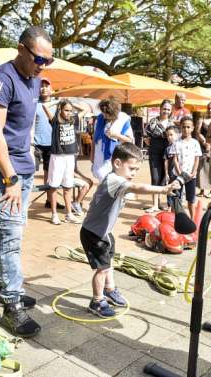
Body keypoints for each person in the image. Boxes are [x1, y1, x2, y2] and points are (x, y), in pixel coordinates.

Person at [0, 26, 53, 338]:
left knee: (12, 235)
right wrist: (9, 178)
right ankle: (11, 306)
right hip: (4, 172)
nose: (42, 66)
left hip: (21, 168)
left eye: (49, 60)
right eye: (38, 58)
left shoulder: (33, 79)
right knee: (10, 238)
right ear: (20, 49)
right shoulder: (0, 80)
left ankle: (1, 289)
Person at [80, 142, 179, 317]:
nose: (133, 173)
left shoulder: (119, 179)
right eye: (131, 168)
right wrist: (164, 189)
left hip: (104, 232)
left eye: (136, 170)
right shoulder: (114, 180)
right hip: (93, 234)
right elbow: (138, 187)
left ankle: (109, 290)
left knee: (108, 263)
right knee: (102, 269)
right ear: (117, 163)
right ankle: (97, 302)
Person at [47, 100, 81, 225]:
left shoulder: (73, 119)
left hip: (70, 157)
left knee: (68, 187)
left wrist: (72, 104)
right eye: (66, 110)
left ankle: (69, 214)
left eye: (70, 111)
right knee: (54, 186)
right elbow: (45, 106)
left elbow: (86, 110)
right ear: (60, 110)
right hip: (57, 157)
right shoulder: (55, 121)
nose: (68, 113)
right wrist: (58, 102)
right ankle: (54, 214)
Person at [32, 77, 63, 209]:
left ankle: (50, 200)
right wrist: (30, 142)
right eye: (41, 86)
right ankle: (22, 200)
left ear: (52, 89)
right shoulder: (33, 103)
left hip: (52, 144)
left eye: (47, 86)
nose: (44, 88)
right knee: (28, 171)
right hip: (35, 144)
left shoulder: (57, 105)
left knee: (49, 173)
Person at [91, 97, 134, 182]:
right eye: (103, 112)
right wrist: (92, 154)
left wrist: (116, 135)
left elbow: (130, 140)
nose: (104, 115)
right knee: (103, 180)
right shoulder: (99, 119)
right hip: (100, 157)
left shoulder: (123, 120)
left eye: (106, 114)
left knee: (115, 182)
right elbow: (94, 138)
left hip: (117, 156)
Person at [144, 99, 173, 212]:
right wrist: (147, 141)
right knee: (155, 178)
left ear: (171, 111)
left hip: (168, 153)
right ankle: (155, 204)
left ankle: (160, 201)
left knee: (164, 179)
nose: (166, 111)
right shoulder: (152, 122)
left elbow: (175, 138)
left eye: (168, 109)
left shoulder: (172, 123)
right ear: (160, 109)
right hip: (155, 152)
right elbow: (145, 135)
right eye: (164, 108)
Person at [170, 116, 202, 218]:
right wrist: (179, 173)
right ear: (180, 127)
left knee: (191, 199)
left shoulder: (195, 143)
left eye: (188, 127)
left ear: (192, 128)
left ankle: (192, 219)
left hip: (191, 176)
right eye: (184, 127)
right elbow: (175, 159)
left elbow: (197, 159)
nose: (186, 129)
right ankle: (173, 219)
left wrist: (193, 172)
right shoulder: (176, 142)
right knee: (176, 197)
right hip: (178, 175)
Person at [195, 101, 211, 198]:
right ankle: (202, 190)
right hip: (202, 146)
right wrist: (204, 142)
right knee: (201, 168)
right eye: (209, 108)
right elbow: (197, 131)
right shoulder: (202, 119)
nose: (210, 110)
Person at [164, 125, 180, 209]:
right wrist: (166, 173)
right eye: (167, 135)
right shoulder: (167, 149)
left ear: (177, 135)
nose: (169, 137)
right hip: (171, 174)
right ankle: (169, 205)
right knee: (170, 189)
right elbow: (166, 161)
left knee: (179, 191)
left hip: (180, 174)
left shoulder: (181, 146)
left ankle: (178, 206)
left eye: (171, 135)